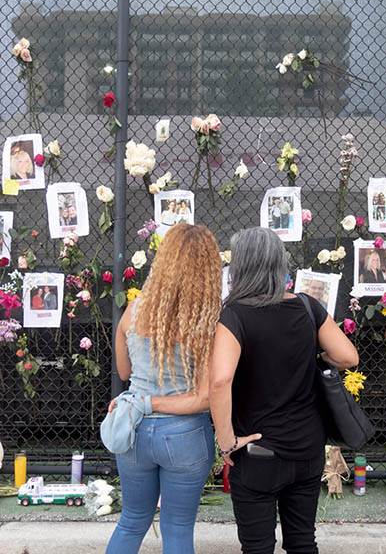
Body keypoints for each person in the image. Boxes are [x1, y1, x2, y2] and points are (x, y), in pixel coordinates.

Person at [209, 227, 358, 554]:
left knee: (258, 546)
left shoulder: (234, 315)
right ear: (279, 265)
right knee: (303, 541)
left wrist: (226, 442)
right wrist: (315, 355)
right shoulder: (308, 307)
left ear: (241, 267)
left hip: (258, 451)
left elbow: (219, 381)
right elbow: (348, 356)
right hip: (307, 447)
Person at [105, 224, 222, 554]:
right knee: (177, 529)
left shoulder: (133, 311)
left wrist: (143, 400)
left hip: (133, 430)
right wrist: (154, 401)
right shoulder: (207, 321)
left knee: (131, 520)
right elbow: (202, 398)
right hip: (184, 437)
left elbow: (125, 371)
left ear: (164, 260)